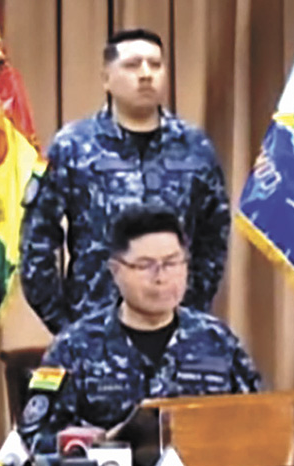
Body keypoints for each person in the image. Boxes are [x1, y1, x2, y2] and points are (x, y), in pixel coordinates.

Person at [21, 28, 231, 335]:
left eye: (155, 65)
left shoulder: (194, 148)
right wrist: (66, 326)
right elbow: (37, 241)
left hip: (176, 333)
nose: (146, 74)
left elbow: (214, 237)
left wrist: (192, 309)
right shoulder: (74, 146)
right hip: (95, 330)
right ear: (106, 78)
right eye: (133, 65)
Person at [20, 205, 260, 453]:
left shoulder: (218, 342)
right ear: (115, 270)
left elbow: (260, 422)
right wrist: (101, 441)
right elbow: (33, 440)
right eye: (145, 266)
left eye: (172, 263)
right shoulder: (73, 348)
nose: (161, 277)